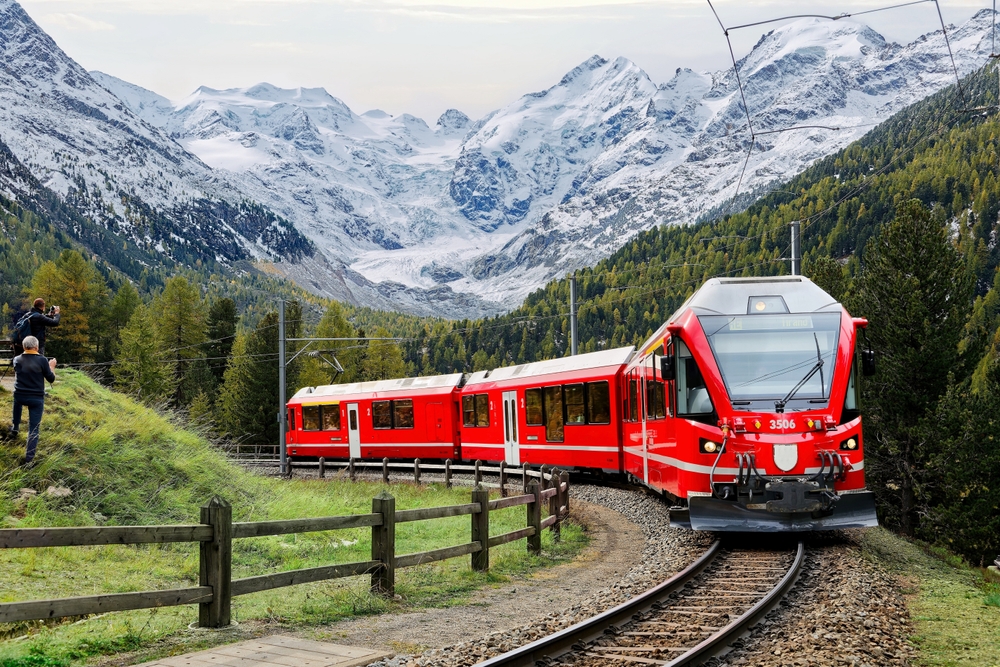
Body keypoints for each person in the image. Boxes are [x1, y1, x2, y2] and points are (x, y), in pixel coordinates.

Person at [10, 336, 56, 466]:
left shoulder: (16, 359)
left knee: (17, 403)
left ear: (24, 346)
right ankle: (29, 459)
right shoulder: (42, 360)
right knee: (33, 429)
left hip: (19, 394)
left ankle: (15, 428)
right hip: (36, 398)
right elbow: (51, 379)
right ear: (36, 347)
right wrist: (51, 366)